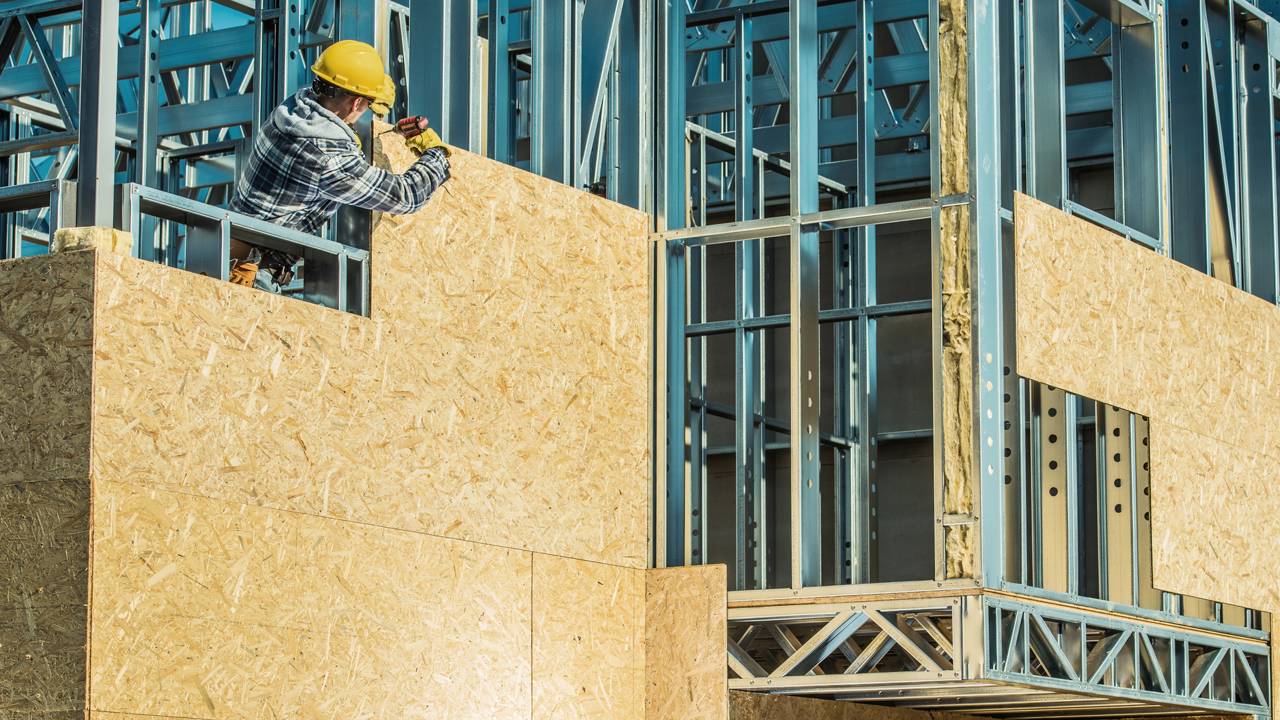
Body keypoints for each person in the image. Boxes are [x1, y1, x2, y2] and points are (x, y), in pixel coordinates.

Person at [228, 39, 450, 292]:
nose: (366, 112)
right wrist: (436, 155)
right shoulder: (328, 157)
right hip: (251, 275)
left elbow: (333, 124)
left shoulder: (293, 107)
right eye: (367, 105)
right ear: (356, 103)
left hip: (233, 255)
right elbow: (406, 196)